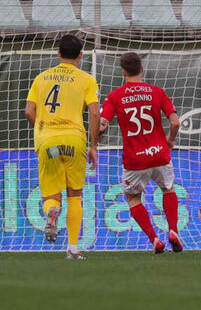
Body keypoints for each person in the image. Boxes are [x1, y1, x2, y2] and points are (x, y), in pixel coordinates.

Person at [25, 35, 100, 260]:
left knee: (51, 194)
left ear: (58, 54)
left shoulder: (41, 78)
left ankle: (51, 212)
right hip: (74, 141)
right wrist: (93, 146)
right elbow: (95, 112)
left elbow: (29, 111)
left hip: (48, 141)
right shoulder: (86, 79)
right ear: (80, 56)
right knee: (75, 194)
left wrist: (42, 130)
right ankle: (73, 248)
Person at [100, 52, 182, 254]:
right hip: (159, 153)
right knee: (168, 189)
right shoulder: (157, 91)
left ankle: (154, 239)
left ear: (123, 72)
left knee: (133, 198)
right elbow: (175, 121)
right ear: (141, 69)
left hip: (135, 159)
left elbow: (102, 124)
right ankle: (173, 230)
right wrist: (170, 140)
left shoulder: (115, 96)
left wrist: (96, 137)